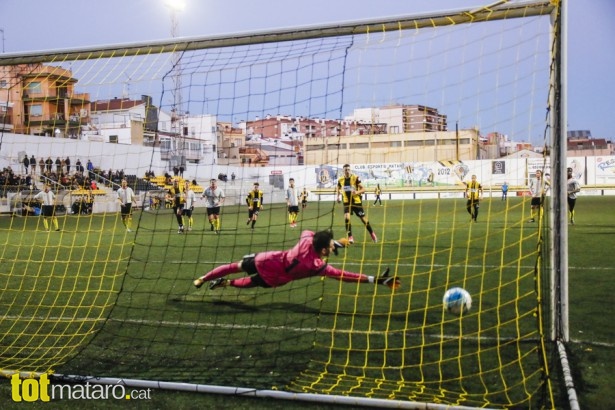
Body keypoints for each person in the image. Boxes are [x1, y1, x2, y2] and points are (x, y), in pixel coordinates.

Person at [192, 229, 400, 291]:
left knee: (235, 266)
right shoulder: (318, 266)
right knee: (251, 283)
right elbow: (344, 276)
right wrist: (374, 280)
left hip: (269, 260)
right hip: (278, 277)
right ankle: (224, 283)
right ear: (323, 250)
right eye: (330, 246)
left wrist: (335, 242)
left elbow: (307, 231)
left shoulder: (307, 241)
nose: (331, 248)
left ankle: (204, 278)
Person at [335, 164, 377, 244]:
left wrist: (356, 192)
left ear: (350, 170)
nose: (347, 171)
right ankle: (350, 237)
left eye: (348, 169)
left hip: (356, 202)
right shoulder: (340, 180)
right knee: (347, 218)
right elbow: (338, 187)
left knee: (363, 219)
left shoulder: (355, 178)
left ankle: (372, 233)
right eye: (345, 170)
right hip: (346, 202)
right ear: (343, 171)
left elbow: (363, 189)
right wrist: (338, 196)